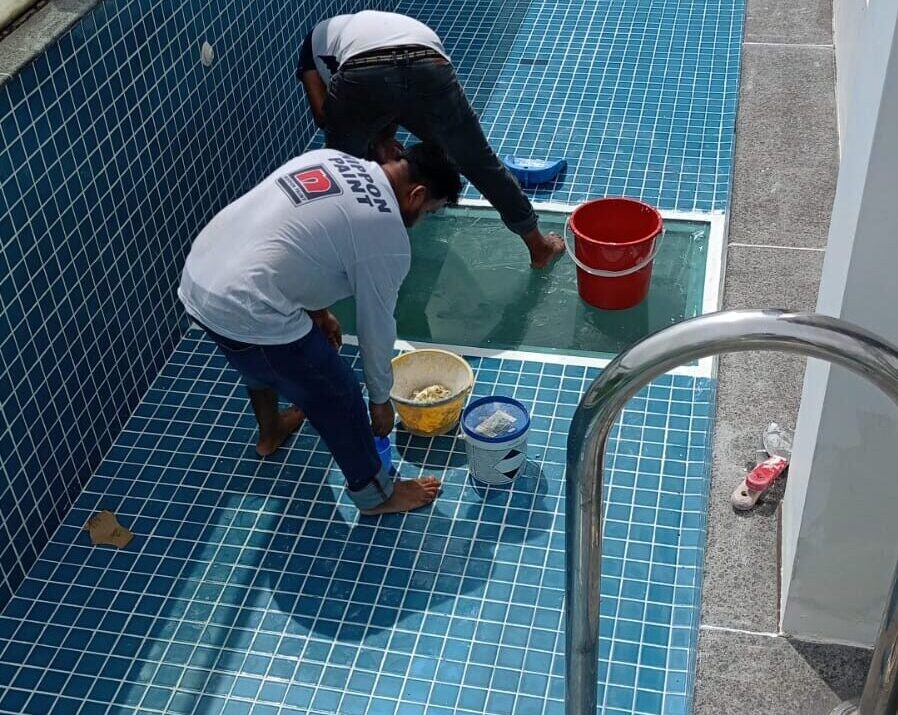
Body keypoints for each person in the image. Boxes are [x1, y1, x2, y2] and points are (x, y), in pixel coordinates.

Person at [178, 143, 463, 514]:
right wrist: (380, 401)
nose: (423, 219)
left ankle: (271, 432)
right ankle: (377, 496)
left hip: (201, 277)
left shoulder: (330, 159)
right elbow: (376, 328)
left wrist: (318, 313)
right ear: (417, 195)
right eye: (429, 212)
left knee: (259, 357)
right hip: (245, 303)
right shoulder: (387, 238)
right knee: (339, 393)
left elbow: (298, 237)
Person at [296, 10, 565, 269]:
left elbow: (324, 116)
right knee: (477, 161)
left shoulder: (311, 46)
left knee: (341, 170)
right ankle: (539, 247)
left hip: (364, 69)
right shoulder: (363, 28)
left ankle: (330, 257)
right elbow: (395, 83)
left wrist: (372, 142)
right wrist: (382, 138)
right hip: (426, 60)